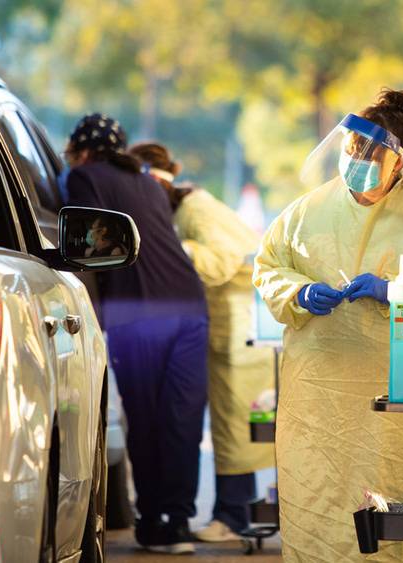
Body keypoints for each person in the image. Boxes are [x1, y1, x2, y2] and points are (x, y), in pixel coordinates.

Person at [253, 89, 403, 561]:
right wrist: (300, 293)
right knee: (313, 497)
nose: (358, 165)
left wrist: (394, 292)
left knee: (382, 503)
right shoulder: (306, 211)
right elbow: (268, 267)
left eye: (371, 158)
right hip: (314, 391)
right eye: (352, 153)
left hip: (385, 395)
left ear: (396, 164)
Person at [64, 114, 209, 554]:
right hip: (187, 305)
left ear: (82, 151)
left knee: (145, 419)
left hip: (137, 312)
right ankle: (178, 522)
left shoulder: (82, 177)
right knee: (181, 418)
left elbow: (92, 249)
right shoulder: (148, 182)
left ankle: (153, 521)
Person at [128, 141, 275, 542]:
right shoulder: (182, 208)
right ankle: (233, 511)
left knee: (232, 424)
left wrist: (169, 250)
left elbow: (221, 259)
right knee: (228, 424)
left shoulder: (195, 208)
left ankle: (233, 516)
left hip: (236, 324)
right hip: (218, 324)